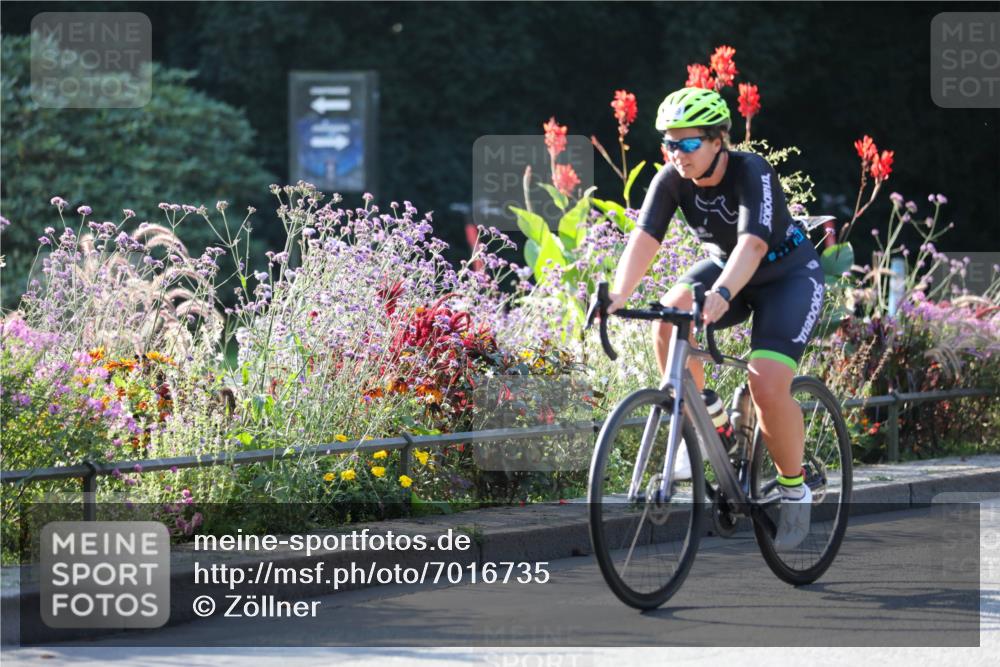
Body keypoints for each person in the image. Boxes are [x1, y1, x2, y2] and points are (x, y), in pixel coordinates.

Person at [603, 86, 825, 551]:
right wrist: (616, 296)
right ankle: (709, 417)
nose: (676, 153)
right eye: (668, 143)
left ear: (717, 140)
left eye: (687, 143)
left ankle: (794, 488)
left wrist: (723, 291)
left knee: (766, 383)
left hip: (785, 275)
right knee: (670, 317)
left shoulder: (751, 170)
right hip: (729, 269)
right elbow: (644, 241)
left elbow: (754, 245)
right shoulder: (670, 179)